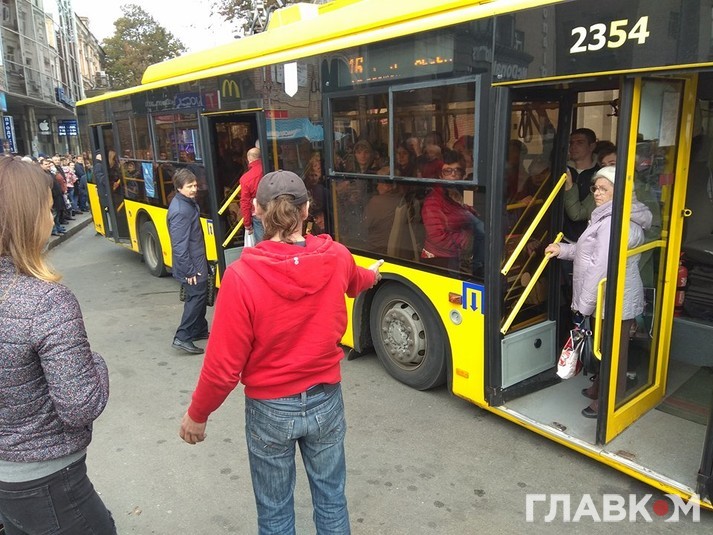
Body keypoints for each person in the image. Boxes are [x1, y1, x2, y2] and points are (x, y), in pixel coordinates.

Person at [179, 170, 382, 534]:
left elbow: (223, 368)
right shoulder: (336, 255)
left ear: (257, 210)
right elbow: (357, 280)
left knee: (275, 513)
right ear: (306, 210)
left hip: (270, 409)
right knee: (332, 502)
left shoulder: (241, 276)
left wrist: (198, 414)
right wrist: (373, 274)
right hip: (325, 400)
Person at [0, 156, 116, 533]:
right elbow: (80, 405)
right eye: (48, 209)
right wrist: (97, 363)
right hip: (49, 480)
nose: (52, 219)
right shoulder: (46, 301)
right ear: (26, 219)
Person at [545, 166, 652, 418]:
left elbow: (598, 267)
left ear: (620, 191)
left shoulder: (612, 221)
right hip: (607, 297)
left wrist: (583, 306)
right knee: (606, 347)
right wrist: (563, 249)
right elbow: (588, 252)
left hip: (613, 298)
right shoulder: (608, 216)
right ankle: (599, 388)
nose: (597, 193)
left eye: (604, 189)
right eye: (595, 188)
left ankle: (609, 401)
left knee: (613, 352)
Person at [421, 150, 484, 272]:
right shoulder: (433, 201)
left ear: (463, 173)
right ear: (440, 175)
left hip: (461, 256)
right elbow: (438, 237)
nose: (453, 175)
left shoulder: (462, 192)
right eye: (448, 171)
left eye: (457, 170)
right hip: (440, 259)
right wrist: (469, 241)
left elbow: (470, 215)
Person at [168, 168, 209, 354]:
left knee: (200, 295)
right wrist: (189, 270)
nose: (194, 189)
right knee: (196, 297)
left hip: (196, 260)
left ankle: (199, 329)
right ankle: (183, 336)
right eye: (190, 186)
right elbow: (179, 246)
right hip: (192, 264)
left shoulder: (186, 203)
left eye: (195, 185)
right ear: (179, 188)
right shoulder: (180, 210)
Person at [239, 147, 265, 243]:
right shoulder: (270, 169)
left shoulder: (245, 178)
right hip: (275, 210)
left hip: (258, 213)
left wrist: (247, 223)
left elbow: (245, 202)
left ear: (249, 159)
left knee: (262, 244)